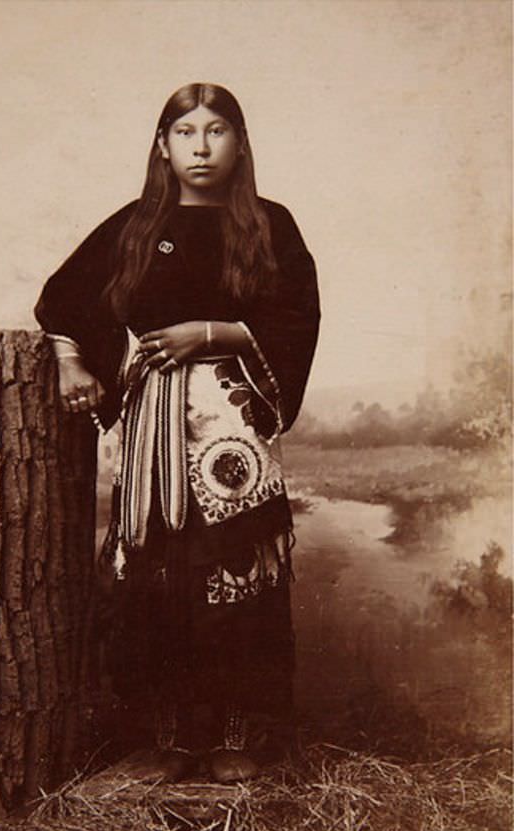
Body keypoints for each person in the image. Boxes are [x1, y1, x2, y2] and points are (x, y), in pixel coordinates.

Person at [35, 83, 320, 783]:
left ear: (240, 143)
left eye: (217, 130)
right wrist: (74, 361)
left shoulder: (269, 226)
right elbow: (63, 301)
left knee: (235, 570)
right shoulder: (136, 226)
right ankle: (169, 738)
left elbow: (297, 318)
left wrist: (215, 331)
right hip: (154, 421)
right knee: (161, 574)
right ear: (162, 146)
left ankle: (239, 737)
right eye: (185, 132)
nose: (200, 146)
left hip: (234, 422)